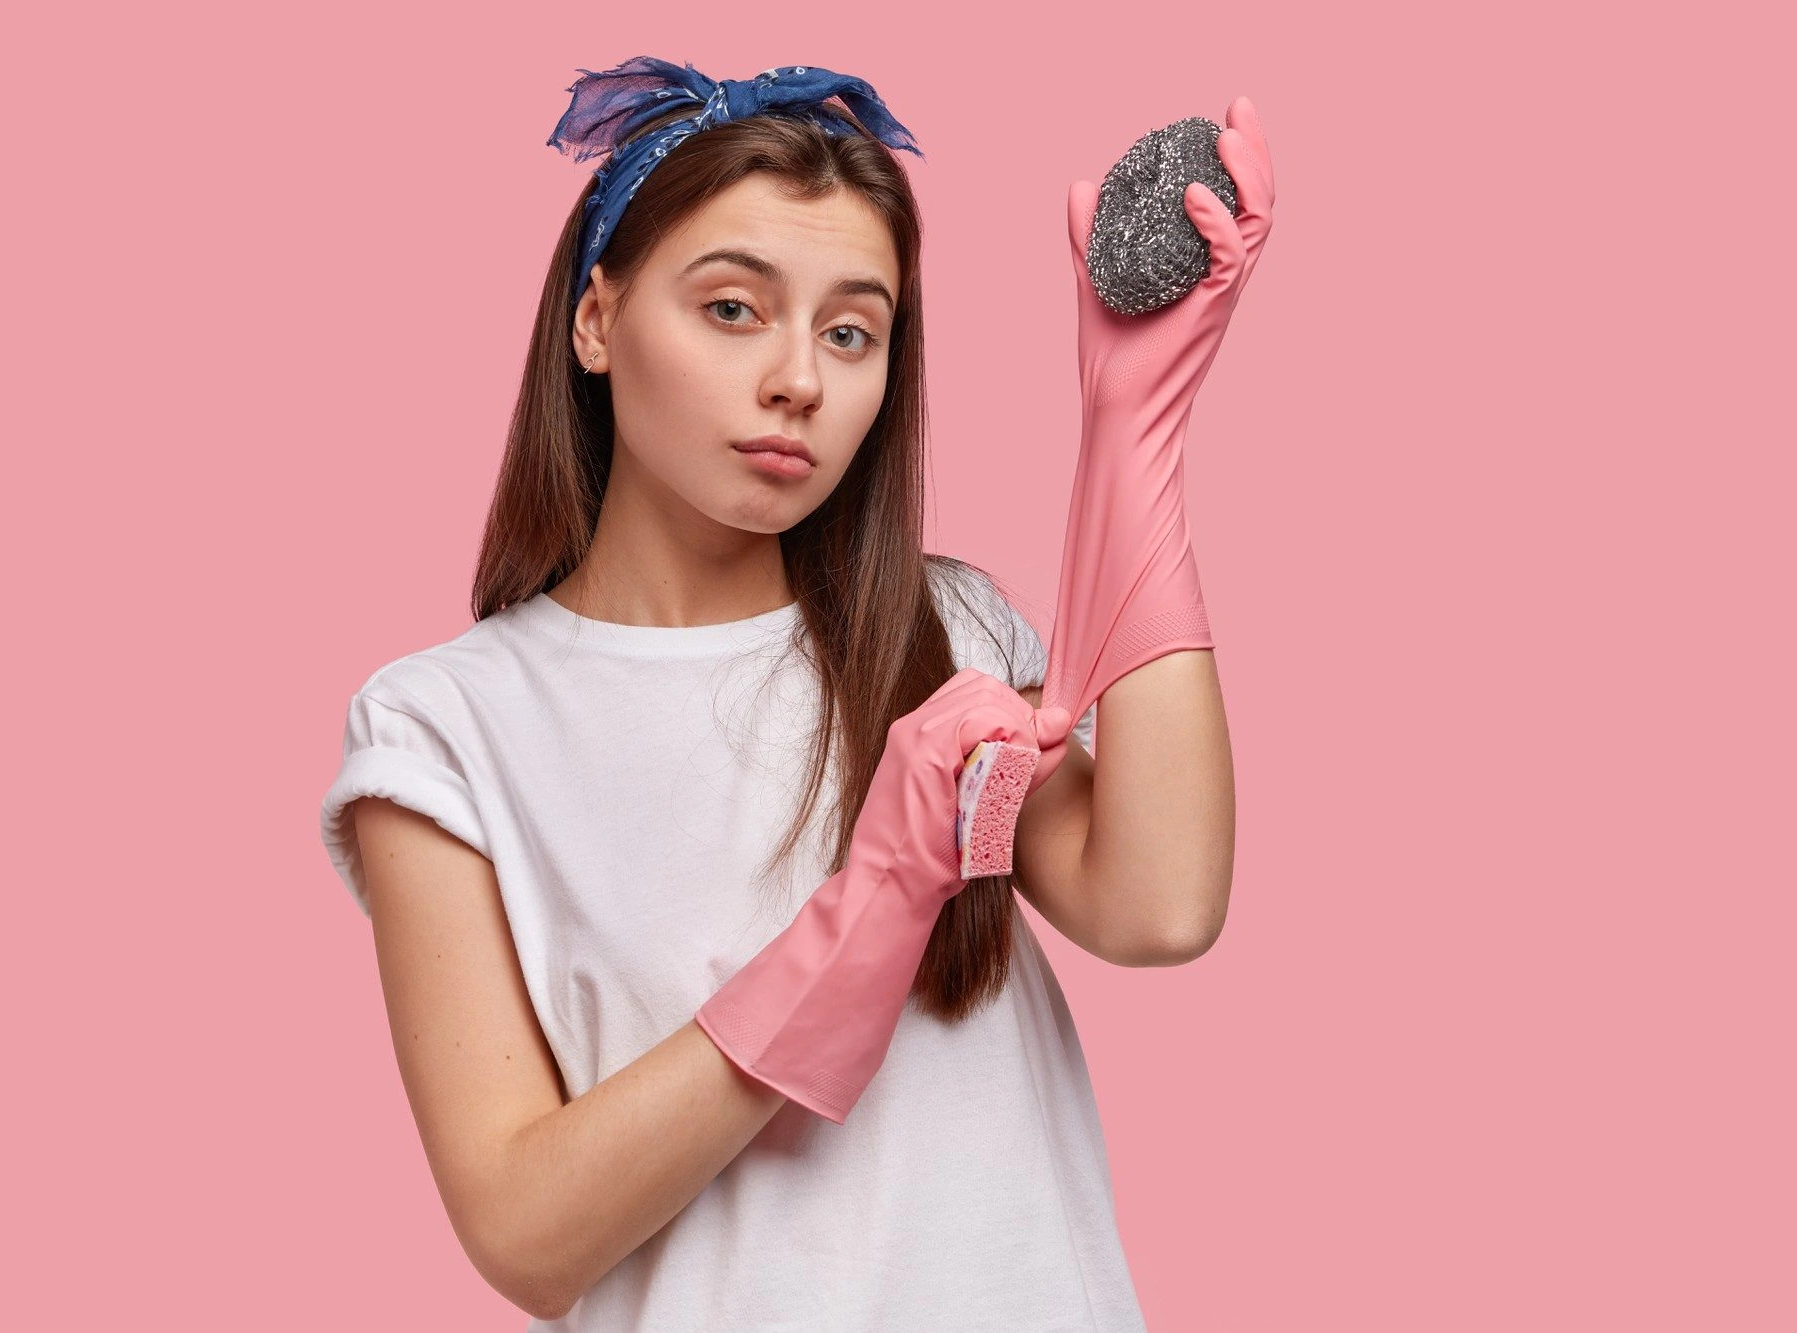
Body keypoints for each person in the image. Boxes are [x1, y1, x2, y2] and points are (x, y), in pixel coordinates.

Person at [319, 56, 1266, 1330]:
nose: (799, 383)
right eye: (729, 310)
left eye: (849, 331)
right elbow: (526, 1234)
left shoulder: (944, 630)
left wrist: (1133, 428)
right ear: (594, 320)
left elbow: (1156, 903)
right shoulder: (446, 727)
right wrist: (864, 913)